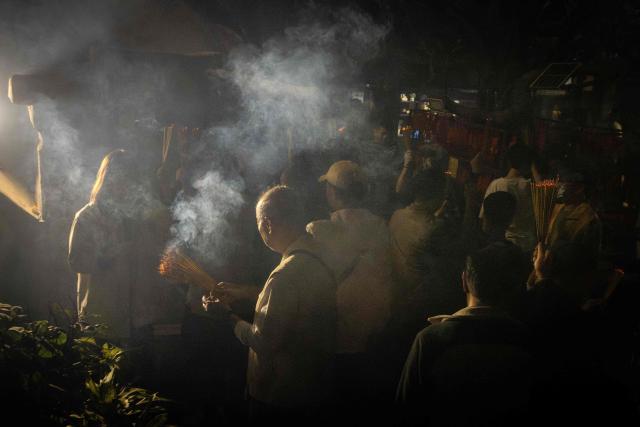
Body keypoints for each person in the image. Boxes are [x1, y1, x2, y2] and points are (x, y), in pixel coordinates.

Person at [205, 185, 337, 423]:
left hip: (279, 395)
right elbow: (293, 307)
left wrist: (227, 316)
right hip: (312, 386)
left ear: (267, 223)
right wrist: (245, 292)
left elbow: (264, 341)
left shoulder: (285, 275)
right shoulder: (317, 255)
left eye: (258, 225)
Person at [397, 243, 532, 427]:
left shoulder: (431, 339)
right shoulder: (527, 340)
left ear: (463, 281)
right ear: (515, 286)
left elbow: (407, 407)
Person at [306, 160, 394, 414]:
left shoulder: (318, 230)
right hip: (373, 338)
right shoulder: (380, 226)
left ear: (332, 193)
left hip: (334, 337)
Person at [68, 149, 139, 340]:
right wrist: (111, 255)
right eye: (123, 179)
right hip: (98, 313)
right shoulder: (87, 216)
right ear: (108, 179)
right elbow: (76, 262)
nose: (127, 186)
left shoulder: (129, 217)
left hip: (129, 315)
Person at [480, 143, 537, 254]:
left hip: (500, 246)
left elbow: (485, 224)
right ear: (528, 164)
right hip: (527, 247)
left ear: (509, 161)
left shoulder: (495, 185)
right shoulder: (531, 187)